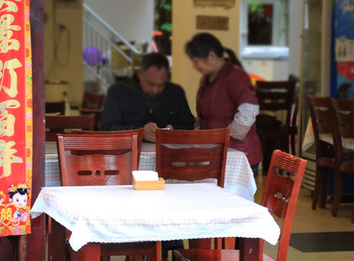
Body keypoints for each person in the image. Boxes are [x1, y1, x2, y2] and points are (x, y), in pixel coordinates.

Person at [185, 32, 262, 175]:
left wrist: (223, 135)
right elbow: (203, 114)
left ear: (211, 56)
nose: (194, 66)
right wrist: (199, 130)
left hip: (238, 154)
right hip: (215, 150)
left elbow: (249, 108)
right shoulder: (207, 79)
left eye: (196, 61)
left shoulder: (235, 76)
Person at [100, 52, 195, 142]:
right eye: (150, 84)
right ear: (139, 74)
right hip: (127, 154)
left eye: (161, 85)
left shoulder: (176, 92)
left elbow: (190, 125)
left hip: (169, 153)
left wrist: (175, 130)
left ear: (167, 77)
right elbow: (106, 128)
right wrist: (139, 132)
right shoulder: (118, 91)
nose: (155, 90)